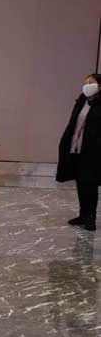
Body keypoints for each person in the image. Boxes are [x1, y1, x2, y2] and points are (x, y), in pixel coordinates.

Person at [57, 72, 101, 232]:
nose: (87, 85)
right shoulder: (82, 101)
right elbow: (73, 124)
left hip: (93, 152)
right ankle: (83, 215)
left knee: (90, 185)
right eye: (85, 82)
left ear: (99, 86)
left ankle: (91, 218)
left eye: (91, 82)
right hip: (76, 149)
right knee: (81, 184)